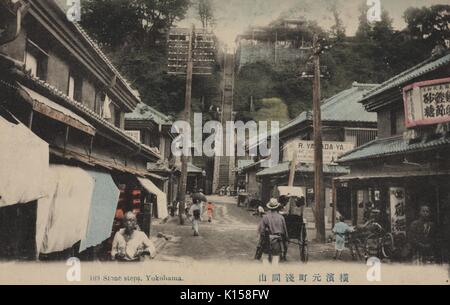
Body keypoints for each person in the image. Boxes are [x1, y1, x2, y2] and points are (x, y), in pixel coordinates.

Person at [257, 198, 289, 265]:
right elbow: (285, 232)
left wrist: (260, 243)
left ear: (269, 207)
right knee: (275, 259)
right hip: (277, 242)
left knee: (265, 259)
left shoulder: (265, 217)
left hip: (267, 241)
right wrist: (285, 241)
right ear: (277, 207)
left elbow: (261, 231)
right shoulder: (281, 218)